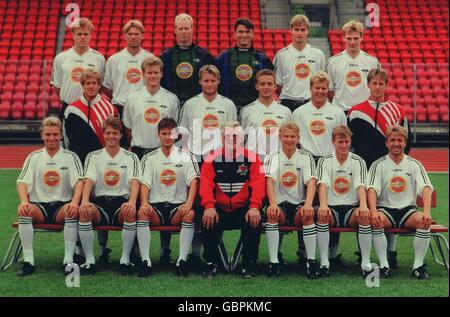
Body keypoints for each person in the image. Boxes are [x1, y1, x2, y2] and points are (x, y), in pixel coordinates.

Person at [16, 117, 84, 276]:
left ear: (60, 135)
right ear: (42, 136)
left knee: (72, 211)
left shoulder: (70, 157)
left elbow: (79, 182)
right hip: (39, 206)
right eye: (48, 134)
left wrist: (74, 202)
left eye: (55, 134)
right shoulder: (34, 157)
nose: (51, 138)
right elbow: (21, 182)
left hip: (62, 206)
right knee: (24, 211)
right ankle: (28, 261)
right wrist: (24, 202)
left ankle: (68, 261)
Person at [292, 71, 346, 266]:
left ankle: (332, 253)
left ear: (328, 89)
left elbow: (342, 140)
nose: (320, 91)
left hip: (329, 161)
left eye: (324, 88)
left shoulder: (337, 112)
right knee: (305, 204)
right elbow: (295, 140)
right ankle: (303, 251)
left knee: (329, 205)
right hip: (306, 160)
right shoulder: (299, 113)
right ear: (311, 89)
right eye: (317, 88)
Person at [199, 122, 265, 278]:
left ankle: (248, 264)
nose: (232, 138)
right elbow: (206, 185)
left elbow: (259, 184)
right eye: (228, 135)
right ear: (222, 138)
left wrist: (255, 206)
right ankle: (211, 263)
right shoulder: (211, 158)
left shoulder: (253, 158)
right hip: (219, 209)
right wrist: (209, 206)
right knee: (207, 219)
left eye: (236, 135)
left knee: (254, 219)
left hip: (244, 209)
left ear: (242, 138)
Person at [367, 125, 434, 279]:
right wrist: (373, 212)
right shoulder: (378, 165)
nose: (396, 143)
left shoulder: (414, 164)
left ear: (405, 143)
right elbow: (371, 189)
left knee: (424, 222)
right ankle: (384, 265)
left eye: (400, 140)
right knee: (376, 221)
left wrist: (427, 212)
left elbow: (425, 188)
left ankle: (418, 266)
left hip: (407, 210)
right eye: (392, 140)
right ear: (386, 143)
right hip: (385, 209)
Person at [137, 118, 200, 277]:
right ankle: (146, 262)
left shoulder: (186, 156)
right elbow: (145, 183)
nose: (167, 137)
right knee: (142, 212)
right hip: (156, 207)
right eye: (163, 133)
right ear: (158, 134)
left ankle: (182, 262)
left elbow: (193, 181)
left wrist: (189, 203)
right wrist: (144, 202)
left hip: (177, 206)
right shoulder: (149, 158)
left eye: (170, 134)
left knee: (190, 214)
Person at [79, 117, 141, 275]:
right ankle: (90, 260)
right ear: (103, 134)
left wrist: (132, 203)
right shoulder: (94, 156)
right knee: (84, 212)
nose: (111, 136)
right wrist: (85, 201)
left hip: (122, 202)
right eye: (108, 133)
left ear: (121, 135)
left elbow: (134, 182)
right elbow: (89, 180)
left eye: (115, 133)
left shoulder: (131, 157)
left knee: (130, 212)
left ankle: (125, 260)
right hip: (100, 202)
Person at [316, 126, 372, 277]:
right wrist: (322, 205)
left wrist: (363, 206)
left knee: (364, 217)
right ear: (333, 142)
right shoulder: (324, 161)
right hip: (331, 207)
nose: (344, 145)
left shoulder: (358, 161)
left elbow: (361, 185)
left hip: (351, 208)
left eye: (347, 142)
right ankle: (324, 263)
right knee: (322, 216)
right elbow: (322, 185)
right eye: (340, 142)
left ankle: (365, 264)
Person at [264, 122, 318, 278]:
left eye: (292, 136)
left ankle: (311, 262)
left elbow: (311, 182)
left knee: (308, 214)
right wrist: (273, 204)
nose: (289, 139)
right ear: (280, 137)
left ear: (298, 138)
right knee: (271, 214)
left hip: (297, 206)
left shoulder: (306, 156)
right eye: (286, 136)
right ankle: (274, 263)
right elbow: (269, 181)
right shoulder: (272, 156)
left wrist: (308, 204)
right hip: (280, 204)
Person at [123, 56, 179, 159]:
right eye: (149, 73)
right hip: (138, 152)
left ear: (161, 74)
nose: (153, 76)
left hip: (163, 152)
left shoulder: (172, 99)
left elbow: (174, 129)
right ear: (143, 74)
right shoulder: (132, 99)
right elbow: (128, 128)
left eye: (156, 73)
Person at [179, 64, 237, 160]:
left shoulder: (228, 104)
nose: (209, 84)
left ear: (218, 81)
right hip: (196, 155)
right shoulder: (190, 104)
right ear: (200, 81)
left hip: (220, 156)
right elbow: (183, 130)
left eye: (213, 81)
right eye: (206, 81)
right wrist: (186, 152)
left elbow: (233, 132)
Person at [51, 18, 105, 119]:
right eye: (79, 34)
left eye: (86, 34)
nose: (83, 37)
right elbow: (57, 87)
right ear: (73, 35)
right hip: (68, 106)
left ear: (91, 35)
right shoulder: (61, 58)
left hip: (91, 107)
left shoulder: (99, 58)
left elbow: (100, 86)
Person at [217, 18, 274, 114]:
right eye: (241, 32)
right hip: (229, 111)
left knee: (256, 130)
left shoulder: (262, 58)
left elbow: (270, 84)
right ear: (234, 33)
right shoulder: (223, 58)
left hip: (256, 111)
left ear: (252, 34)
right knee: (231, 130)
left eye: (247, 32)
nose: (244, 35)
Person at [63, 69, 118, 165]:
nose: (91, 86)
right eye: (88, 83)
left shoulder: (110, 109)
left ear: (99, 85)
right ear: (83, 86)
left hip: (103, 162)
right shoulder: (71, 110)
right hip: (79, 162)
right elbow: (66, 139)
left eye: (94, 83)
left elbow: (116, 137)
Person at [102, 20, 154, 121]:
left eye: (136, 34)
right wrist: (120, 96)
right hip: (120, 106)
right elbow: (107, 86)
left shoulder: (150, 59)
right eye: (130, 34)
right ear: (124, 36)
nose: (133, 37)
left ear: (142, 36)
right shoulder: (113, 60)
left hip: (143, 106)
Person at [160, 13, 216, 106]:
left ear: (192, 29)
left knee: (197, 121)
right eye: (180, 29)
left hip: (198, 106)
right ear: (175, 30)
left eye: (186, 28)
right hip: (173, 105)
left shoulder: (204, 56)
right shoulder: (166, 56)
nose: (183, 32)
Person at [274, 14, 326, 112]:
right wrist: (290, 96)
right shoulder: (281, 55)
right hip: (287, 103)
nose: (299, 33)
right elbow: (277, 83)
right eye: (296, 29)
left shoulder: (318, 54)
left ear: (307, 31)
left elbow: (322, 81)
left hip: (311, 103)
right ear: (291, 30)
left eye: (302, 30)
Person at [326, 21, 380, 112]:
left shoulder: (372, 62)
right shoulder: (333, 62)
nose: (352, 42)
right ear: (343, 38)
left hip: (364, 112)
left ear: (361, 38)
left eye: (355, 38)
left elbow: (377, 88)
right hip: (340, 111)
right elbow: (330, 90)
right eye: (349, 38)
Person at [239, 69, 292, 162]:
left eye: (269, 84)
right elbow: (241, 139)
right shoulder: (246, 111)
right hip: (253, 162)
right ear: (256, 86)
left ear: (275, 86)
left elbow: (289, 138)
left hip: (278, 162)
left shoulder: (286, 111)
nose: (266, 87)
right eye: (262, 84)